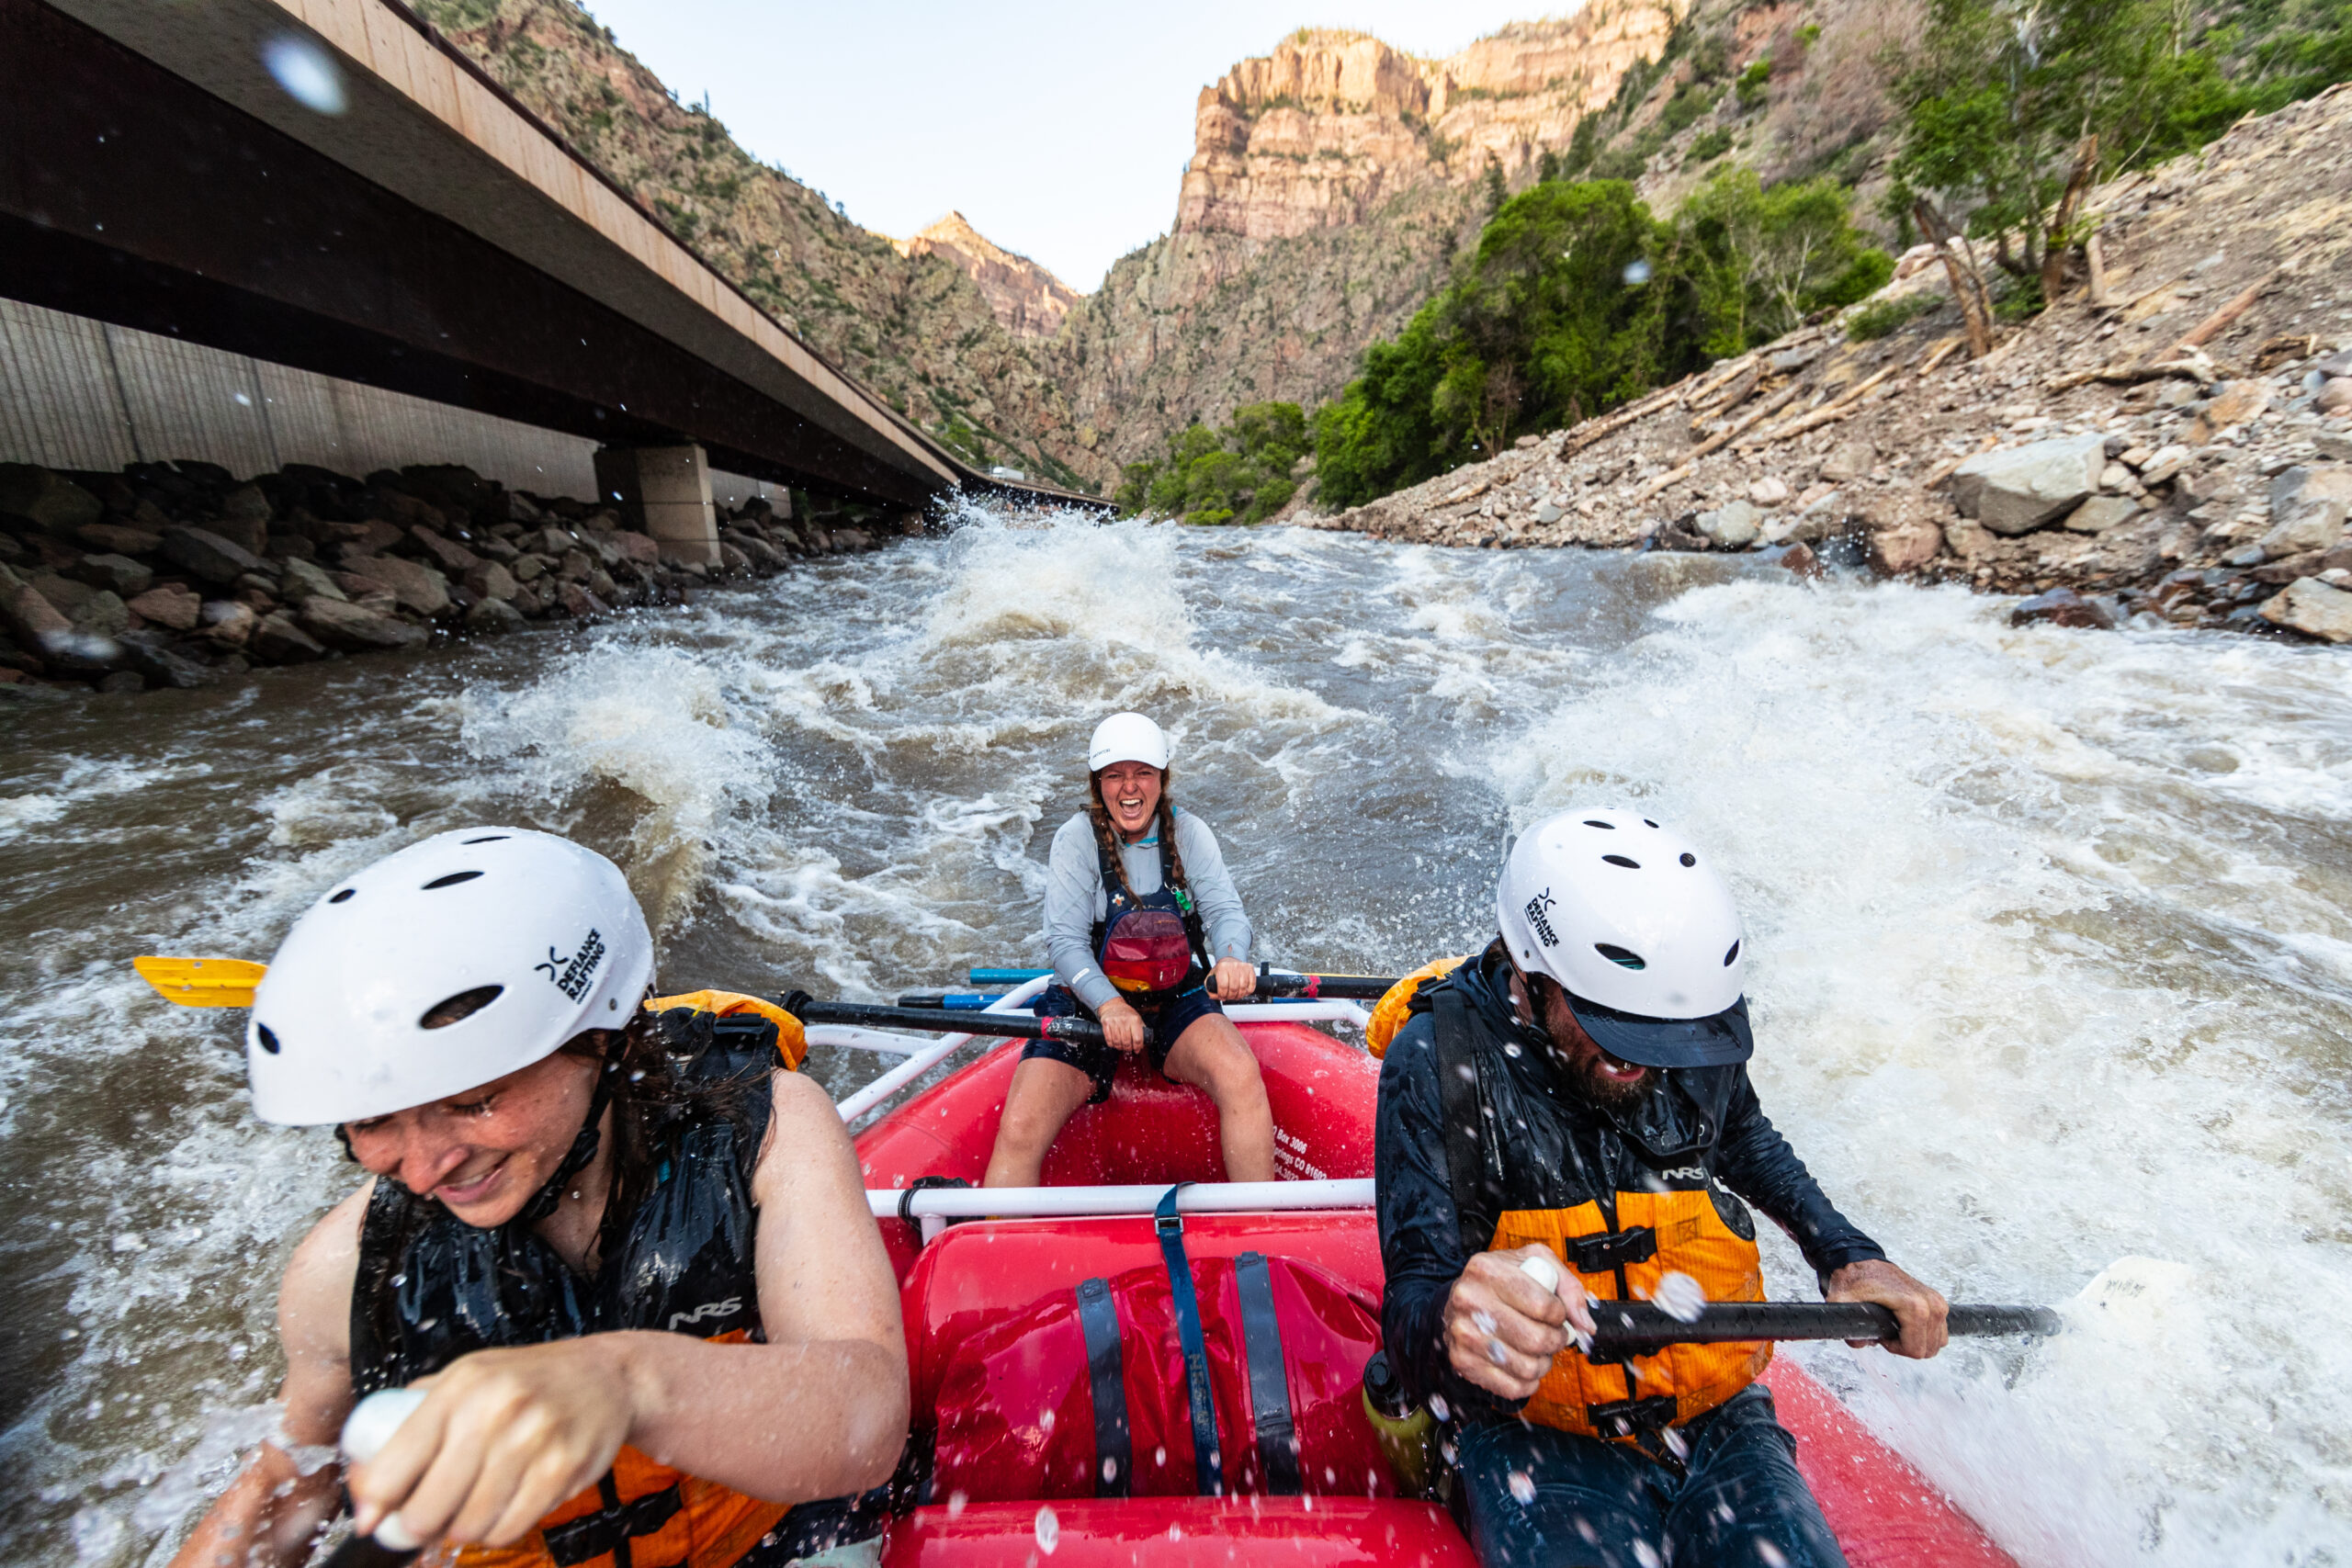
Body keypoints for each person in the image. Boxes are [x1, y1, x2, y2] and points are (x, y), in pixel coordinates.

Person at [169, 829, 908, 1568]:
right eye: (374, 1120)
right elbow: (290, 1486)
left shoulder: (768, 1130)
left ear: (603, 1039)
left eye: (475, 1100)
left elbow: (867, 1419)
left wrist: (628, 1382)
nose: (424, 1169)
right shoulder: (344, 1268)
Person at [1374, 809, 1949, 1568]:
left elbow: (1740, 1134)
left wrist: (1846, 1252)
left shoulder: (1686, 1025)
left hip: (1720, 1422)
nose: (1642, 1058)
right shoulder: (1437, 1062)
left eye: (1658, 1034)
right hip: (1539, 1434)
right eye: (1611, 1024)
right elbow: (1412, 1300)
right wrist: (1454, 1321)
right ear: (1530, 971)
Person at [982, 713, 1274, 1188]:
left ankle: (1257, 1234)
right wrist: (1110, 1004)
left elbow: (1226, 912)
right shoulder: (1076, 839)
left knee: (1240, 1073)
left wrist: (1230, 957)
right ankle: (993, 1251)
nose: (1129, 788)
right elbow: (1065, 943)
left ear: (1162, 779)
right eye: (1115, 776)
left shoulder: (1190, 832)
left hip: (1175, 996)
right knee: (1019, 1128)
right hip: (1086, 1004)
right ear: (1099, 785)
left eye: (1142, 774)